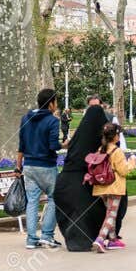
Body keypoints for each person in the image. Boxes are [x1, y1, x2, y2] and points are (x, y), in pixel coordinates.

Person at [53, 99, 111, 252]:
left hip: (64, 182)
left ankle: (79, 240)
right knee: (94, 207)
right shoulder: (98, 136)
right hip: (83, 180)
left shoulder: (79, 136)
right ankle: (100, 237)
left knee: (78, 210)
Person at [16, 87, 63, 250]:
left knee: (32, 201)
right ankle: (47, 235)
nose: (57, 105)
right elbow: (53, 146)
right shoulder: (52, 121)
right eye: (56, 102)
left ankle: (31, 238)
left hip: (28, 165)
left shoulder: (25, 119)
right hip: (46, 166)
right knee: (54, 198)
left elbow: (21, 145)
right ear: (51, 104)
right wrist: (65, 144)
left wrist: (18, 166)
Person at [84, 120, 136, 251]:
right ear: (114, 137)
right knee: (111, 214)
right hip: (114, 186)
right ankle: (100, 239)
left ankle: (112, 239)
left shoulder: (101, 149)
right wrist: (132, 162)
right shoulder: (117, 151)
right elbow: (123, 171)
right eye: (118, 134)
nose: (119, 137)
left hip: (101, 186)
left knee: (109, 212)